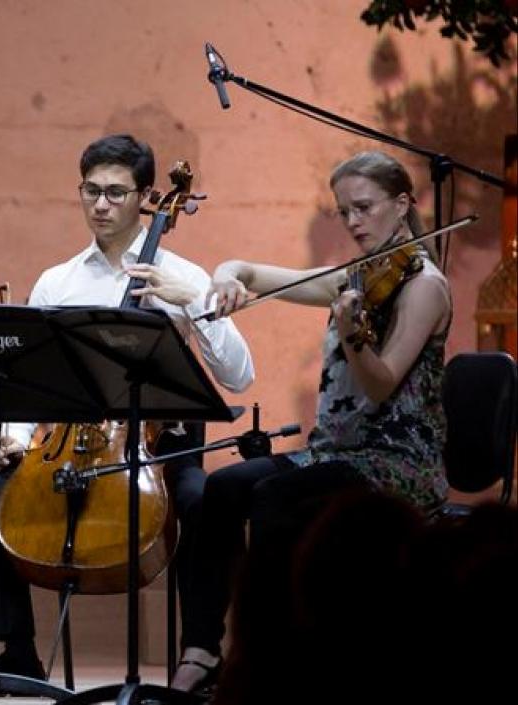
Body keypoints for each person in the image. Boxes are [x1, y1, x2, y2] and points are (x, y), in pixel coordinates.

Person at [0, 134, 255, 678]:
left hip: (162, 453)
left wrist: (189, 302)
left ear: (147, 197)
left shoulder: (185, 276)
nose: (101, 205)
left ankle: (201, 649)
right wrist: (18, 435)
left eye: (116, 193)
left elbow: (239, 375)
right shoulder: (57, 282)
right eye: (91, 191)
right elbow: (33, 382)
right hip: (69, 447)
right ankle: (18, 654)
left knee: (202, 502)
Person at [171, 151, 452, 694]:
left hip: (396, 462)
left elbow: (380, 380)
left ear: (401, 205)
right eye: (344, 212)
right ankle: (202, 650)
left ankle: (273, 660)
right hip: (335, 453)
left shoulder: (425, 286)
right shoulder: (357, 278)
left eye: (364, 208)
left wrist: (352, 331)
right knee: (220, 490)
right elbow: (249, 272)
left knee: (280, 499)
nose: (353, 223)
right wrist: (226, 278)